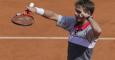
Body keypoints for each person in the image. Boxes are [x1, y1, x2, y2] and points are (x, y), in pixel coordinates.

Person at [27, 0, 102, 60]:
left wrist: (89, 17)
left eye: (79, 12)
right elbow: (53, 16)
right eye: (76, 10)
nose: (75, 13)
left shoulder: (89, 30)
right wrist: (36, 10)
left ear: (88, 14)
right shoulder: (73, 22)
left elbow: (98, 31)